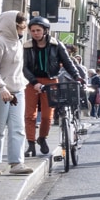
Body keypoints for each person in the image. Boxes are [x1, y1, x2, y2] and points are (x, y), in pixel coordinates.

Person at [21, 16, 82, 159]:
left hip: (51, 81)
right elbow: (23, 67)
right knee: (30, 115)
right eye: (33, 31)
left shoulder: (56, 45)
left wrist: (77, 76)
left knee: (47, 116)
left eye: (38, 30)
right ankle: (30, 144)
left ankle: (42, 138)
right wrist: (34, 82)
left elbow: (67, 62)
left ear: (46, 30)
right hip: (31, 82)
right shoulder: (26, 46)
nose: (35, 33)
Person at [0, 11, 28, 175]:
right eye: (20, 26)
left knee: (18, 127)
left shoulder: (18, 43)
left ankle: (17, 163)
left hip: (17, 89)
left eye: (23, 26)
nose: (22, 29)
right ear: (10, 25)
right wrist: (1, 87)